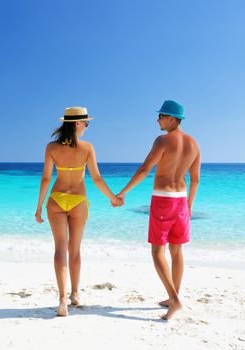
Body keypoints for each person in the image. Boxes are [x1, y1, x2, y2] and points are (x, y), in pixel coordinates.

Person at [35, 106, 123, 317]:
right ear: (76, 123)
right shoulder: (87, 148)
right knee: (74, 250)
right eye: (86, 122)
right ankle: (74, 294)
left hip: (56, 200)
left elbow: (46, 178)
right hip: (78, 202)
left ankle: (62, 300)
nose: (87, 126)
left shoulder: (51, 147)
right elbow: (97, 178)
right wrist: (113, 198)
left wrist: (38, 207)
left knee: (60, 248)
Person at [117, 100, 201, 320]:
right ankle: (173, 296)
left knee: (157, 251)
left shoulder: (162, 140)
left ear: (172, 118)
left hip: (163, 200)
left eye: (161, 116)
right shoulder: (194, 144)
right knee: (177, 250)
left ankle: (174, 300)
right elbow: (195, 179)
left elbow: (145, 169)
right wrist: (189, 205)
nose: (157, 120)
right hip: (182, 201)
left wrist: (124, 191)